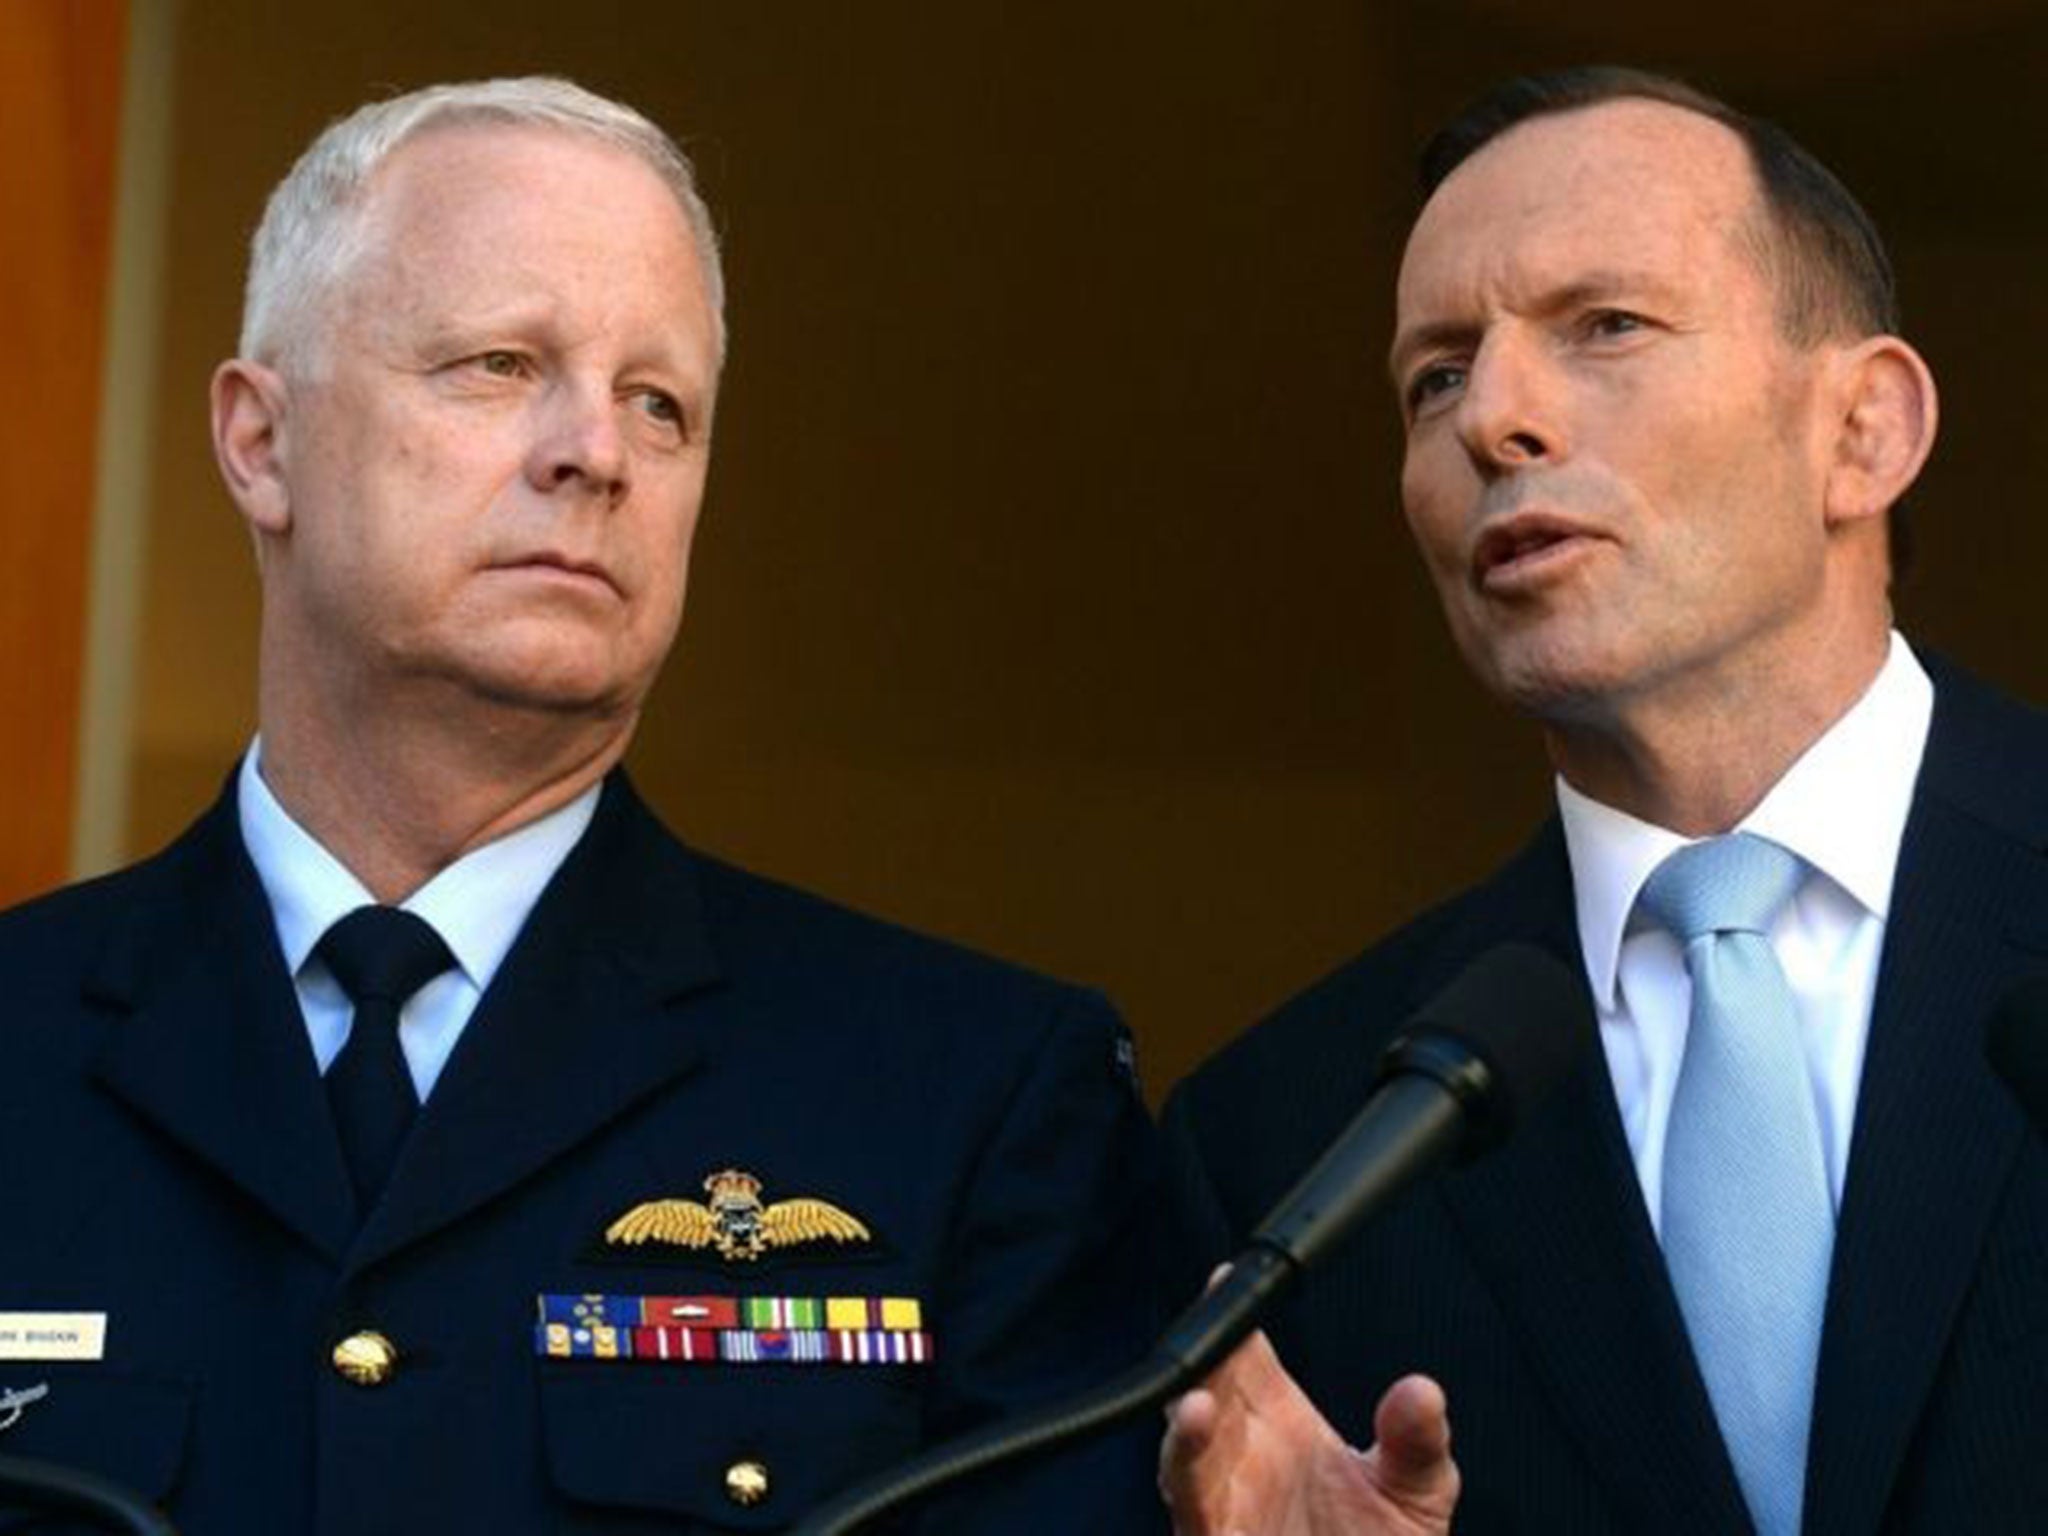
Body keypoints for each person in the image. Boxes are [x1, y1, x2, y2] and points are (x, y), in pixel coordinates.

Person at [0, 77, 1168, 1534]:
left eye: (659, 404)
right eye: (499, 364)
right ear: (259, 441)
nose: (594, 453)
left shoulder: (973, 1097)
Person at [1158, 67, 2047, 1536]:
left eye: (1607, 327)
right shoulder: (1291, 1145)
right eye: (1435, 375)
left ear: (1864, 431)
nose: (1493, 420)